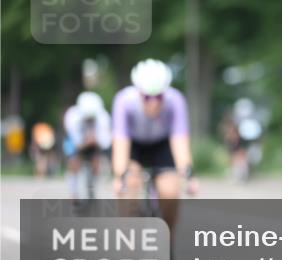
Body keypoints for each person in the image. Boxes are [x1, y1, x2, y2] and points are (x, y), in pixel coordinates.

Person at [112, 59, 199, 236]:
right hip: (134, 145)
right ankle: (128, 246)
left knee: (170, 191)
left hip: (162, 144)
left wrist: (188, 174)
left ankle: (169, 239)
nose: (153, 103)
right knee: (129, 186)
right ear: (139, 93)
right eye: (147, 97)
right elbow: (121, 142)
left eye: (158, 97)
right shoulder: (124, 101)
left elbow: (180, 141)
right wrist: (120, 176)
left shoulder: (175, 100)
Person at [63, 91, 112, 203]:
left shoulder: (103, 118)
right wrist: (85, 143)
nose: (89, 120)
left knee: (96, 162)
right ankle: (73, 193)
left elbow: (106, 142)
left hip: (94, 142)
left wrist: (95, 141)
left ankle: (92, 188)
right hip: (76, 141)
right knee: (73, 162)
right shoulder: (72, 117)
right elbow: (75, 142)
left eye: (92, 118)